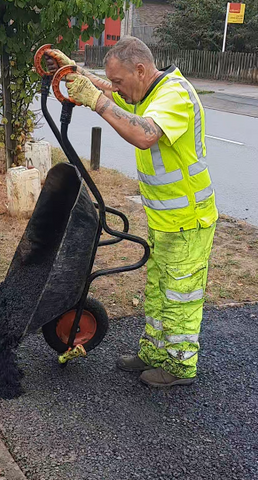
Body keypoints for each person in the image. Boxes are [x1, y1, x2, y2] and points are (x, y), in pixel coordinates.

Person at [44, 36, 218, 387]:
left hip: (189, 220)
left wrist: (95, 101)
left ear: (140, 69)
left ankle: (180, 365)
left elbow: (145, 135)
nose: (118, 88)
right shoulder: (146, 90)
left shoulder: (174, 95)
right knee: (158, 288)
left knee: (180, 294)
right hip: (165, 218)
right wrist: (74, 72)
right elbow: (114, 90)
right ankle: (154, 353)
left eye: (123, 80)